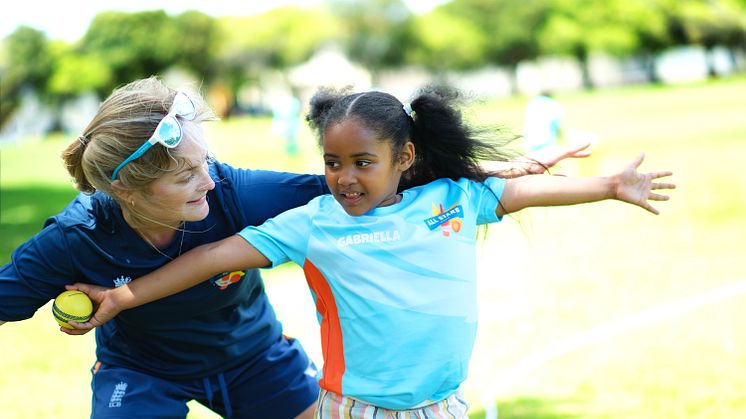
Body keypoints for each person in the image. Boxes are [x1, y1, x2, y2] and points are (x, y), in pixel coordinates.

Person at [66, 85, 674, 418]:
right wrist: (125, 294)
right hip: (353, 408)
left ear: (404, 159)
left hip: (441, 403)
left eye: (363, 163)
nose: (345, 178)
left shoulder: (452, 200)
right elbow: (213, 257)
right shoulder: (312, 222)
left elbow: (521, 192)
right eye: (332, 163)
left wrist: (609, 187)